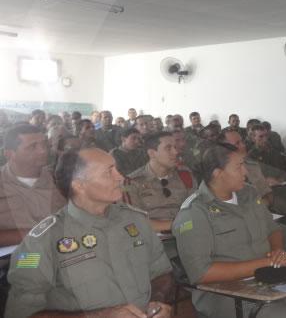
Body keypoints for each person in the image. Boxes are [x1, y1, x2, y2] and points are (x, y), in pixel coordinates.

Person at [173, 144, 286, 318]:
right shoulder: (194, 212)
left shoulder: (249, 194)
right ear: (218, 173)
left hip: (270, 277)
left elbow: (273, 229)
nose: (245, 171)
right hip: (224, 290)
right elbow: (202, 273)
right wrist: (263, 264)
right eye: (239, 166)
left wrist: (277, 250)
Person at [5, 148, 173, 318]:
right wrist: (98, 316)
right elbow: (21, 313)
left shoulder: (135, 220)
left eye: (116, 168)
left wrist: (158, 300)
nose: (120, 177)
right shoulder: (41, 241)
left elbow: (161, 272)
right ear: (79, 184)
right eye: (109, 172)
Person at [0, 124, 66, 246]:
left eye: (44, 145)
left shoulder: (59, 179)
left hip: (61, 252)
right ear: (9, 154)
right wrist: (36, 233)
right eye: (32, 147)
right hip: (13, 259)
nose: (43, 151)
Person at [124, 132, 196, 234]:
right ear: (152, 153)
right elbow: (133, 222)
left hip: (186, 235)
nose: (175, 152)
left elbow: (196, 210)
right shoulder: (132, 182)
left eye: (175, 147)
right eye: (168, 148)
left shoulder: (185, 175)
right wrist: (177, 225)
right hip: (151, 241)